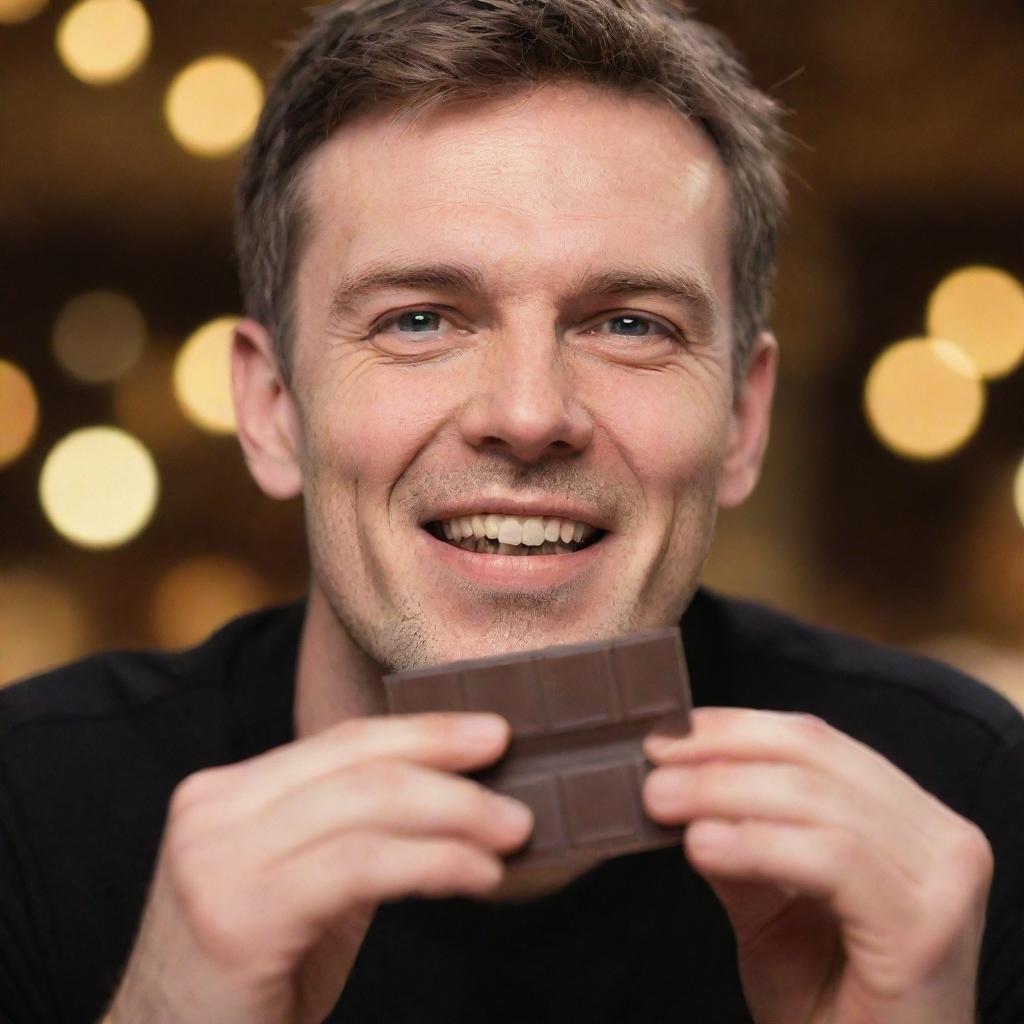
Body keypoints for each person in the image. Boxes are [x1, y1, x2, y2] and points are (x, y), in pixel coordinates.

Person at [2, 1, 1022, 1021]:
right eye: (418, 319)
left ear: (742, 421)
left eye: (630, 323)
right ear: (271, 410)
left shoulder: (959, 807)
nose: (529, 414)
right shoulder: (31, 809)